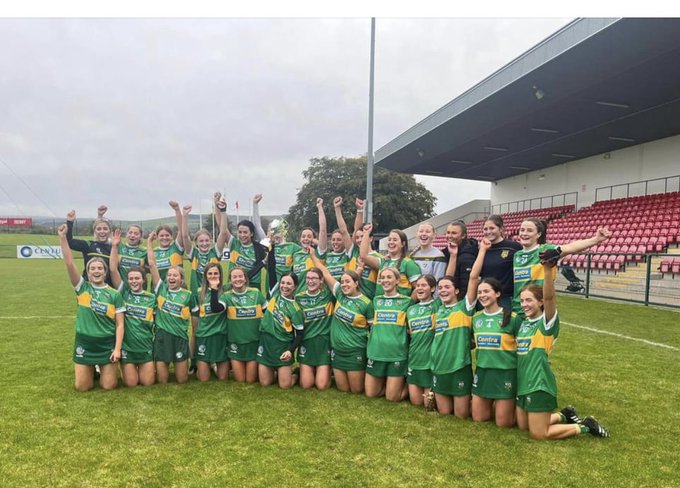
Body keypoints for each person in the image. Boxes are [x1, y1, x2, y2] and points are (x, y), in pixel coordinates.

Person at [515, 260, 610, 440]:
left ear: (541, 302)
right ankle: (564, 414)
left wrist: (547, 271)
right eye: (522, 300)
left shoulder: (546, 323)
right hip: (523, 381)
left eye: (529, 300)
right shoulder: (525, 323)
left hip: (538, 382)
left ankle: (585, 426)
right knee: (522, 426)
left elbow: (551, 298)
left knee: (538, 433)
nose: (524, 304)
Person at [57, 223, 124, 391]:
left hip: (106, 343)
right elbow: (69, 263)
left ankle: (102, 368)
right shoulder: (82, 288)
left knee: (109, 386)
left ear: (105, 271)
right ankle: (91, 369)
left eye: (100, 268)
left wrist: (117, 349)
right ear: (87, 271)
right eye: (92, 268)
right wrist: (62, 238)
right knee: (82, 387)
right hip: (85, 342)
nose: (96, 271)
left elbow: (120, 324)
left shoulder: (114, 294)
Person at [431, 238, 488, 418]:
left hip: (459, 366)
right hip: (438, 365)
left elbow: (472, 279)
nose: (443, 290)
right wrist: (453, 256)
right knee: (444, 412)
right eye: (440, 288)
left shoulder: (465, 307)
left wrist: (483, 251)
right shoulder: (437, 308)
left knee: (461, 415)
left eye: (448, 287)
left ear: (457, 291)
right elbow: (445, 278)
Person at [512, 218, 610, 313]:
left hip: (539, 310)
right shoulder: (516, 255)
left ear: (538, 234)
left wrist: (596, 239)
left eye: (529, 230)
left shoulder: (545, 250)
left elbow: (571, 247)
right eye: (522, 230)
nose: (524, 233)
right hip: (517, 309)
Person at [310, 249, 373, 394]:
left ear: (356, 283)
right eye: (342, 281)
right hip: (337, 351)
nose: (344, 284)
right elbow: (324, 272)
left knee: (356, 390)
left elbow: (373, 329)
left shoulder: (366, 303)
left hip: (355, 351)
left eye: (347, 281)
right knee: (343, 389)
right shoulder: (339, 294)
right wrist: (313, 255)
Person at [147, 231, 197, 384]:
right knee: (162, 380)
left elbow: (195, 323)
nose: (171, 278)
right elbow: (152, 264)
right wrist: (149, 242)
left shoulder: (188, 295)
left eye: (175, 275)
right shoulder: (161, 289)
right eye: (169, 275)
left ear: (181, 279)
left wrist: (194, 336)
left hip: (180, 338)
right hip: (162, 337)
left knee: (182, 380)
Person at [109, 229, 156, 388]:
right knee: (131, 384)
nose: (134, 281)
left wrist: (150, 243)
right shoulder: (123, 292)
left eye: (137, 278)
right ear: (127, 281)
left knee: (147, 383)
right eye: (131, 279)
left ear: (143, 280)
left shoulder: (152, 298)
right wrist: (115, 247)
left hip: (145, 347)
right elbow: (113, 269)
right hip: (128, 348)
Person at [471, 278, 520, 426]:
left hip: (505, 373)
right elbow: (472, 343)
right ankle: (499, 405)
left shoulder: (512, 318)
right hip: (483, 372)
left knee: (503, 424)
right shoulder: (476, 318)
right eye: (479, 292)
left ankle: (521, 410)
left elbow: (523, 345)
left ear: (497, 293)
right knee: (478, 418)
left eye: (486, 291)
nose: (482, 295)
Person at [365, 267, 413, 402]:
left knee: (392, 398)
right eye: (383, 278)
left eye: (389, 277)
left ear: (397, 280)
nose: (385, 280)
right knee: (370, 393)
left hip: (396, 354)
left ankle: (411, 385)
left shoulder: (407, 302)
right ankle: (389, 384)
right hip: (376, 352)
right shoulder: (375, 301)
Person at [256, 272, 305, 389]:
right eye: (283, 283)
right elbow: (271, 270)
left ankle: (296, 374)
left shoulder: (296, 310)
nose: (285, 286)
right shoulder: (275, 294)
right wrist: (270, 253)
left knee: (285, 385)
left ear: (295, 287)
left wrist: (290, 351)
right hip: (266, 342)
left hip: (282, 346)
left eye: (289, 283)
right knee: (265, 383)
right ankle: (278, 372)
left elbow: (299, 334)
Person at [217, 192, 270, 296]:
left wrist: (255, 204)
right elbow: (222, 227)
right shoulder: (234, 244)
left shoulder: (258, 248)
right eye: (240, 232)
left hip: (253, 285)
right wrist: (221, 210)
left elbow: (258, 226)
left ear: (251, 233)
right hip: (233, 284)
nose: (242, 235)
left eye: (245, 232)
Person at [221, 267, 268, 383]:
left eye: (240, 276)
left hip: (254, 342)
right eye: (234, 277)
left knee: (251, 380)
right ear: (230, 280)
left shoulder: (256, 293)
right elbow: (216, 308)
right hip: (235, 343)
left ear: (245, 278)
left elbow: (268, 313)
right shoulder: (226, 296)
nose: (238, 279)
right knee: (241, 380)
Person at [295, 266, 335, 390]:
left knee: (322, 386)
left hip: (323, 343)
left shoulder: (328, 296)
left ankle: (330, 371)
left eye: (314, 278)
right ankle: (298, 372)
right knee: (306, 385)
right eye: (308, 278)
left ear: (321, 280)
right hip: (306, 343)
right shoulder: (298, 298)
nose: (310, 281)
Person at [183, 195, 230, 295]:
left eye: (207, 240)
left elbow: (223, 233)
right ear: (196, 242)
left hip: (213, 292)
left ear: (211, 240)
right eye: (201, 241)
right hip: (196, 294)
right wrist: (185, 216)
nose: (204, 243)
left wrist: (223, 212)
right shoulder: (193, 253)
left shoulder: (215, 252)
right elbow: (185, 236)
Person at [360, 223, 421, 297]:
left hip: (399, 307)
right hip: (380, 306)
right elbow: (363, 256)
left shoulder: (408, 263)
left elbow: (418, 288)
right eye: (389, 239)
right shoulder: (383, 261)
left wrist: (408, 305)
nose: (391, 242)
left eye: (395, 240)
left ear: (403, 244)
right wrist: (366, 233)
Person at [192, 262, 230, 382]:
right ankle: (205, 364)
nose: (213, 276)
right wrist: (196, 334)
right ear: (205, 276)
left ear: (220, 275)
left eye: (216, 273)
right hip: (204, 336)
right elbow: (195, 316)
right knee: (204, 379)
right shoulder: (199, 293)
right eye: (210, 273)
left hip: (220, 336)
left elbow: (215, 307)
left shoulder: (225, 291)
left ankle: (213, 365)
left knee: (223, 378)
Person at [405, 275, 439, 407]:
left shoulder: (437, 305)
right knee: (416, 402)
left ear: (432, 288)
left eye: (423, 285)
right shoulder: (411, 310)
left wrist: (453, 256)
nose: (419, 288)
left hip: (430, 362)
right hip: (414, 359)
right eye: (418, 285)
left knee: (428, 405)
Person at [479, 215, 522, 310]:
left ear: (501, 229)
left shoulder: (514, 247)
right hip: (485, 298)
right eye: (485, 229)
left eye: (492, 228)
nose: (488, 231)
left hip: (505, 299)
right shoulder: (482, 249)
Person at [65, 205, 113, 285]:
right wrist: (70, 222)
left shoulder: (114, 248)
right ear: (94, 232)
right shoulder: (88, 245)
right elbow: (69, 242)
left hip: (108, 291)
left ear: (110, 231)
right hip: (88, 288)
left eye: (105, 229)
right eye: (99, 229)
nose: (102, 231)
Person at [291, 198, 328, 293]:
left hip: (316, 297)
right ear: (300, 239)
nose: (306, 238)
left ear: (314, 239)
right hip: (299, 298)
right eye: (303, 236)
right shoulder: (296, 255)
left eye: (309, 236)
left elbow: (323, 230)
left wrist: (319, 207)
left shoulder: (318, 253)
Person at [441, 220, 478, 300]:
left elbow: (466, 286)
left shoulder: (467, 256)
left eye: (454, 233)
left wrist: (460, 304)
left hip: (460, 303)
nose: (450, 236)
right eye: (448, 232)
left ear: (463, 236)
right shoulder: (447, 253)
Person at [152, 201, 187, 282]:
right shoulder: (153, 252)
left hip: (178, 290)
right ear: (157, 237)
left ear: (171, 237)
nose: (165, 238)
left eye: (167, 235)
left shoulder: (176, 248)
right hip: (159, 291)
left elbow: (181, 231)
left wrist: (177, 210)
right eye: (161, 235)